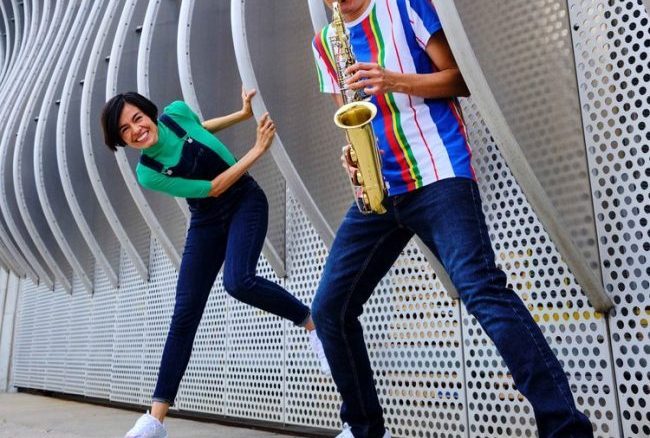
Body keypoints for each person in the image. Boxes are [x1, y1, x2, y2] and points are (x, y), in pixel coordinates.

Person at [310, 1, 594, 437]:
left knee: (481, 289)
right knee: (330, 308)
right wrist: (351, 157)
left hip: (438, 172)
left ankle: (565, 429)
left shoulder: (405, 5)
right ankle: (363, 429)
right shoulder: (325, 42)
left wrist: (392, 80)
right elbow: (349, 120)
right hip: (380, 189)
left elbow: (460, 79)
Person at [101, 88, 330, 438]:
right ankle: (155, 421)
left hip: (245, 201)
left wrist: (242, 114)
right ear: (121, 140)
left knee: (239, 282)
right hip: (207, 217)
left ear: (148, 113)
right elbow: (213, 187)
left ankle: (314, 325)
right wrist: (257, 149)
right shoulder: (148, 172)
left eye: (137, 118)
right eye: (125, 130)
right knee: (184, 315)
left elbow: (201, 127)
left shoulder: (177, 112)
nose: (136, 130)